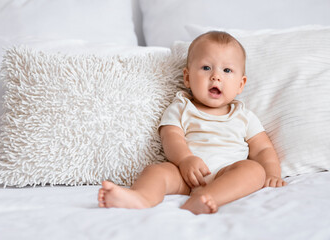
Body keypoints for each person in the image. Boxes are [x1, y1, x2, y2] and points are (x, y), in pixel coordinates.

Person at [98, 31, 287, 214]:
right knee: (156, 171)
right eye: (206, 68)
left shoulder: (244, 116)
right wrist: (185, 159)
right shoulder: (182, 108)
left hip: (226, 172)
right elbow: (171, 136)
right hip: (185, 175)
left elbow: (263, 149)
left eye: (227, 70)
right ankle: (141, 197)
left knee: (253, 170)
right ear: (187, 77)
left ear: (240, 84)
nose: (216, 76)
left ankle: (207, 197)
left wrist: (272, 174)